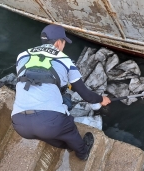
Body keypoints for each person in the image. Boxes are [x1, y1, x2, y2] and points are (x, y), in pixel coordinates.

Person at [11, 24, 111, 160]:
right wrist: (101, 99)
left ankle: (58, 141)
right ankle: (82, 153)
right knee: (69, 129)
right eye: (64, 43)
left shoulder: (22, 56)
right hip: (50, 122)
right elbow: (86, 95)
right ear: (58, 43)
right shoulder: (65, 60)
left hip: (19, 123)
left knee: (61, 105)